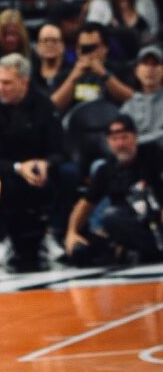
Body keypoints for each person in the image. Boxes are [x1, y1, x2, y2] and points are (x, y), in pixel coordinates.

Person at [0, 53, 66, 269]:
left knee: (69, 173)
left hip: (40, 167)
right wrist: (17, 168)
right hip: (6, 169)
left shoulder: (44, 104)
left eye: (7, 83)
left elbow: (60, 149)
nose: (0, 87)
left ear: (24, 82)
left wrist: (46, 163)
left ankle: (53, 235)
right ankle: (1, 240)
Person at [64, 114, 163, 266]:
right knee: (81, 251)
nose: (120, 144)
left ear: (135, 137)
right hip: (130, 225)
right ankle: (133, 251)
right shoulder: (106, 170)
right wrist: (72, 232)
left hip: (157, 221)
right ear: (108, 142)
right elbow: (85, 204)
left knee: (112, 217)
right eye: (114, 139)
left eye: (124, 137)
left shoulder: (154, 155)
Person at [51, 22, 134, 114]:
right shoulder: (65, 73)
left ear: (105, 48)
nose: (88, 53)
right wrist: (73, 78)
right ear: (77, 49)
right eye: (84, 48)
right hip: (77, 121)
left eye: (92, 47)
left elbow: (133, 99)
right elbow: (52, 106)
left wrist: (104, 74)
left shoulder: (120, 70)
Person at [121, 45, 163, 145]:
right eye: (145, 64)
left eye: (155, 64)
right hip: (137, 153)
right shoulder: (129, 105)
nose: (150, 69)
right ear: (136, 71)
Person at [32, 23, 71, 98]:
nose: (50, 45)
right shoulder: (30, 77)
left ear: (62, 46)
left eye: (54, 40)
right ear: (38, 47)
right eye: (45, 40)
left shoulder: (72, 73)